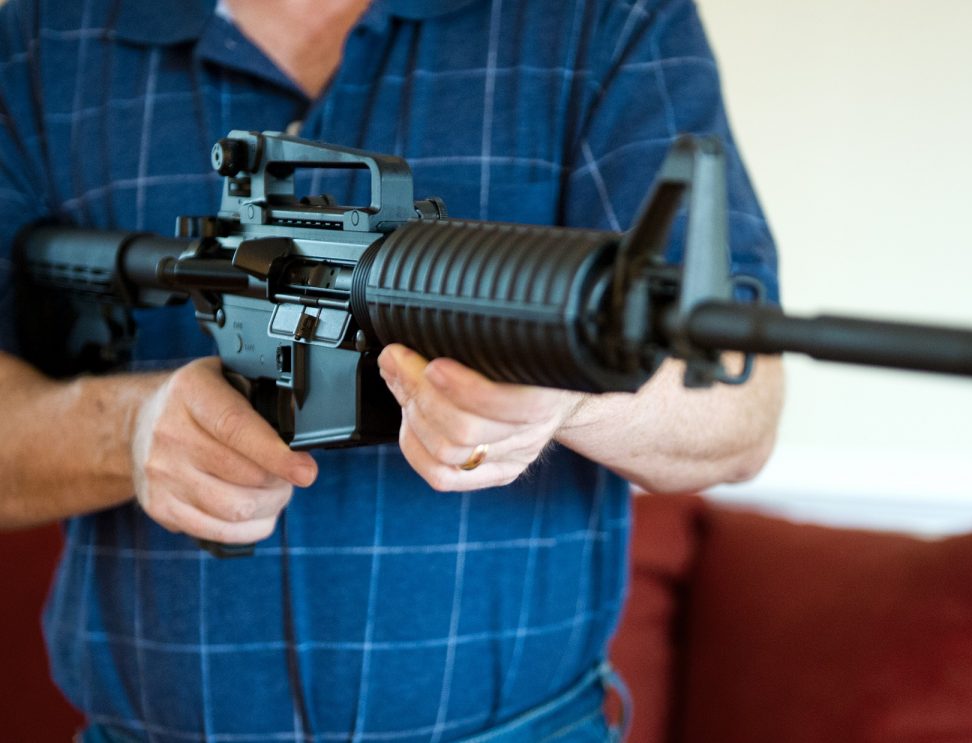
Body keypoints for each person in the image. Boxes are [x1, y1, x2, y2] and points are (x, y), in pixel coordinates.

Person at [0, 0, 783, 740]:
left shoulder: (600, 16)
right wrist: (129, 429)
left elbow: (741, 408)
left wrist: (569, 398)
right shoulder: (41, 39)